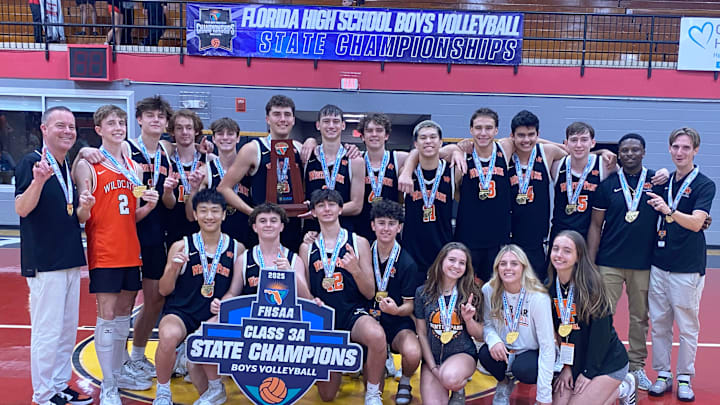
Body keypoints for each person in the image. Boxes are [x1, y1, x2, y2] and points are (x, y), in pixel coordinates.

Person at [74, 105, 161, 403]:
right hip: (105, 250)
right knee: (107, 316)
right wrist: (83, 154)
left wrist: (149, 205)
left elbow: (130, 215)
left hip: (130, 249)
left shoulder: (133, 168)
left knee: (124, 314)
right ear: (98, 129)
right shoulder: (88, 164)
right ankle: (108, 383)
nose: (118, 127)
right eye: (111, 123)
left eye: (121, 122)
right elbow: (82, 216)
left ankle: (119, 370)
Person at [16, 106, 92, 405]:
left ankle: (60, 384)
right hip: (45, 262)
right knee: (47, 332)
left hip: (70, 259)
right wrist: (38, 181)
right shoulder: (31, 163)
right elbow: (21, 209)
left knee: (65, 330)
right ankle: (43, 393)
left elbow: (72, 216)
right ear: (44, 129)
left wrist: (84, 206)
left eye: (72, 126)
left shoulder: (65, 165)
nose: (68, 131)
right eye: (60, 125)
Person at [153, 189, 246, 405]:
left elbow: (238, 291)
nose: (209, 216)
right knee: (167, 335)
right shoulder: (181, 246)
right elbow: (164, 291)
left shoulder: (237, 249)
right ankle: (163, 391)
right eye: (203, 211)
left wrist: (224, 306)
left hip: (215, 316)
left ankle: (215, 387)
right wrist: (173, 269)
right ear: (195, 214)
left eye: (215, 211)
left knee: (203, 382)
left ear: (224, 214)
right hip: (182, 312)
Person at [645, 128, 715, 402]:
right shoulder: (663, 181)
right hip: (659, 264)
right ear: (669, 149)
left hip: (687, 266)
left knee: (687, 326)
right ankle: (663, 374)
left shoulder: (704, 184)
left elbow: (698, 222)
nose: (680, 152)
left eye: (686, 147)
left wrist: (669, 211)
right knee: (660, 325)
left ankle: (685, 377)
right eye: (675, 147)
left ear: (695, 150)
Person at [587, 133, 659, 391]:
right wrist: (591, 262)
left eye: (634, 150)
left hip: (643, 264)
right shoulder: (607, 185)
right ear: (618, 154)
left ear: (644, 152)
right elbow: (596, 226)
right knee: (602, 314)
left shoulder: (656, 182)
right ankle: (604, 363)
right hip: (609, 262)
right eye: (624, 150)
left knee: (640, 317)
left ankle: (637, 367)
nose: (629, 154)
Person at [299, 189, 385, 405]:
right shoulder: (307, 247)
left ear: (340, 209)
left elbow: (369, 292)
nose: (326, 209)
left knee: (376, 335)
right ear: (314, 212)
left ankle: (373, 392)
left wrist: (355, 269)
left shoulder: (358, 242)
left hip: (352, 313)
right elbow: (305, 290)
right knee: (327, 396)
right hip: (323, 319)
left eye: (331, 205)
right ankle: (349, 361)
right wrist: (310, 299)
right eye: (321, 205)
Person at [547, 230, 637, 405]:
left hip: (606, 361)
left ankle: (625, 386)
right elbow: (561, 335)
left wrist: (588, 373)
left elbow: (601, 337)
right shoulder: (549, 288)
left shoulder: (592, 289)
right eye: (555, 249)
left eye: (567, 251)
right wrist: (567, 368)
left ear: (578, 257)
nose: (559, 255)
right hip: (576, 361)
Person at [217, 95, 307, 251]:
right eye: (277, 114)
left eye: (287, 114)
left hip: (292, 227)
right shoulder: (253, 148)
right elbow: (223, 188)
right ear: (267, 119)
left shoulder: (300, 149)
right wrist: (253, 212)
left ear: (293, 120)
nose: (282, 119)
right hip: (262, 228)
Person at [126, 95, 174, 379]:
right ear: (140, 119)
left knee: (154, 300)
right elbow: (90, 156)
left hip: (155, 234)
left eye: (160, 116)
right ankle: (120, 359)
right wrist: (85, 154)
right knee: (125, 301)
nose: (156, 120)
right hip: (128, 231)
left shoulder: (165, 153)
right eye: (150, 115)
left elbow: (169, 204)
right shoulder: (125, 148)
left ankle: (137, 354)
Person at [479, 245, 554, 405]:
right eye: (503, 263)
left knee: (524, 369)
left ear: (523, 267)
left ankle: (551, 382)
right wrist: (494, 341)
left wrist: (544, 397)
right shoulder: (489, 290)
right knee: (485, 353)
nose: (508, 268)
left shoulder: (538, 297)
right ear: (497, 267)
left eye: (514, 263)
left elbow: (547, 345)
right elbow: (488, 325)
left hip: (531, 351)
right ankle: (504, 382)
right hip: (506, 349)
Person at [414, 242, 482, 405]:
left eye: (462, 263)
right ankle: (446, 378)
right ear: (441, 261)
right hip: (433, 359)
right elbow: (422, 334)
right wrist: (432, 368)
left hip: (462, 355)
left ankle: (458, 387)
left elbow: (479, 335)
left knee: (450, 378)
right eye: (452, 260)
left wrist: (468, 320)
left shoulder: (472, 293)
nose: (456, 266)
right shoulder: (422, 293)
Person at [368, 199, 421, 405]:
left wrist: (396, 309)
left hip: (397, 323)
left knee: (413, 352)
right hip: (369, 321)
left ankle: (405, 382)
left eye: (391, 224)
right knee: (371, 387)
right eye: (381, 223)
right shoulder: (364, 253)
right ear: (373, 225)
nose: (386, 228)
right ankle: (377, 361)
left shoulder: (407, 262)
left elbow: (410, 306)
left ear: (399, 228)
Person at [401, 120, 458, 287]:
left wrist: (457, 150)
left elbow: (463, 147)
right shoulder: (405, 172)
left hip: (442, 251)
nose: (428, 141)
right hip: (412, 252)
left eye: (433, 137)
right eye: (423, 138)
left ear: (441, 142)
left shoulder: (453, 170)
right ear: (415, 143)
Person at [186, 117, 252, 245]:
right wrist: (194, 189)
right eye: (220, 134)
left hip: (247, 234)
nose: (225, 137)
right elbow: (190, 216)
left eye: (230, 133)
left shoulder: (250, 168)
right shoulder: (205, 171)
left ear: (238, 138)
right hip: (215, 240)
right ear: (214, 139)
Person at [303, 104, 365, 232]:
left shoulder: (355, 160)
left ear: (343, 125)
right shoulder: (306, 156)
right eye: (326, 121)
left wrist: (322, 211)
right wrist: (310, 140)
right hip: (313, 231)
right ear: (318, 125)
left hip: (344, 230)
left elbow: (357, 205)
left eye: (336, 121)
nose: (331, 126)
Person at [549, 122, 610, 242]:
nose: (578, 145)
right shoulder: (556, 166)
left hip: (589, 237)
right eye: (573, 140)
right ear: (566, 143)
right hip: (560, 236)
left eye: (584, 140)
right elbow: (532, 141)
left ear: (592, 143)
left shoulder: (604, 166)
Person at [355, 113, 407, 242]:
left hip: (389, 231)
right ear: (362, 136)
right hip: (362, 230)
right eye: (369, 131)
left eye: (379, 130)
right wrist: (310, 141)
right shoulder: (356, 159)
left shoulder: (398, 158)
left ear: (386, 135)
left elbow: (422, 153)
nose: (374, 134)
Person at [241, 202, 310, 298]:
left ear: (281, 226)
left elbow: (308, 298)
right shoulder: (244, 259)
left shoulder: (294, 260)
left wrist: (290, 273)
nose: (268, 225)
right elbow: (232, 293)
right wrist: (220, 304)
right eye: (263, 221)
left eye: (273, 221)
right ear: (255, 227)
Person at [163, 109, 208, 246]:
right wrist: (168, 191)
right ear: (172, 132)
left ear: (196, 131)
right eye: (179, 128)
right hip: (173, 229)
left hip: (202, 229)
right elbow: (168, 204)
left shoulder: (208, 159)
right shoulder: (166, 160)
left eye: (189, 128)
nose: (184, 132)